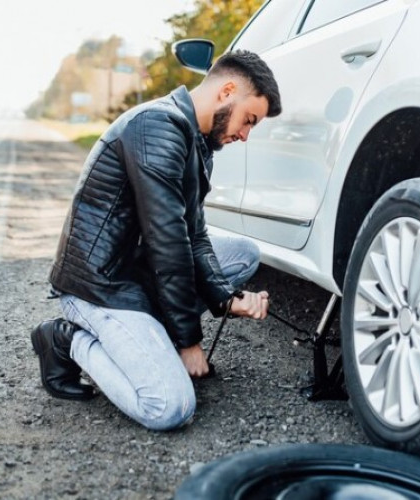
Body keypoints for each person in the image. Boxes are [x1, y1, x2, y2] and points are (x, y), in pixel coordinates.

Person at [30, 50, 282, 431]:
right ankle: (66, 339)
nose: (245, 135)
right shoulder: (156, 128)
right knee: (169, 406)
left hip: (138, 270)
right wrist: (188, 342)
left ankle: (150, 336)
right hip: (101, 285)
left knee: (244, 254)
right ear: (227, 90)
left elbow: (194, 236)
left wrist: (226, 299)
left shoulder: (198, 141)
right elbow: (169, 244)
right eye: (249, 120)